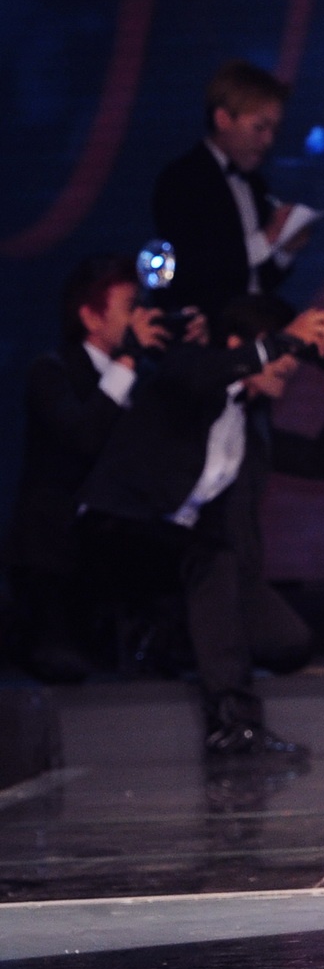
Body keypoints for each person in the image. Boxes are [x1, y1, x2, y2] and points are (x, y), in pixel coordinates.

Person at [80, 295, 324, 756]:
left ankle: (166, 641)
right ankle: (233, 721)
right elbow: (201, 371)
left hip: (185, 557)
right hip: (118, 533)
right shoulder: (189, 373)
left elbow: (321, 460)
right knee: (210, 556)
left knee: (288, 641)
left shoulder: (252, 426)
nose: (289, 363)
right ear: (237, 346)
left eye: (293, 353)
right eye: (281, 349)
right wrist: (284, 340)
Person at [9, 254, 173, 682]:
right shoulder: (51, 372)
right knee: (64, 665)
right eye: (129, 307)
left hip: (121, 551)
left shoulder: (144, 377)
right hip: (57, 555)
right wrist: (127, 363)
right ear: (90, 316)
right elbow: (83, 436)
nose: (139, 317)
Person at [152, 60, 317, 326]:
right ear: (223, 119)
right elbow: (194, 269)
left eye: (274, 130)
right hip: (207, 336)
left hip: (254, 330)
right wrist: (267, 238)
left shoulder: (256, 184)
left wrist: (284, 249)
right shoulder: (182, 180)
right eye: (259, 128)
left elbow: (256, 280)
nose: (269, 140)